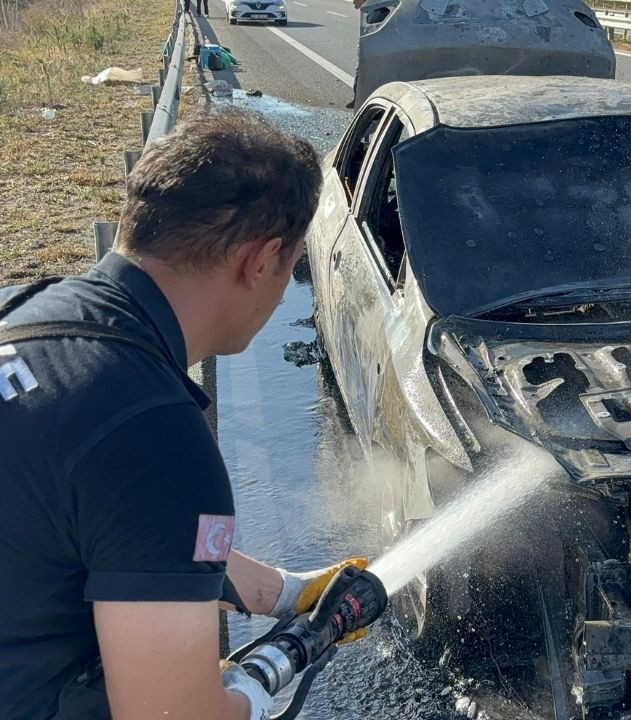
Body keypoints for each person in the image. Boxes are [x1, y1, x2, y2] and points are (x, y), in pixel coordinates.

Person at [0, 108, 364, 720]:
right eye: (290, 270)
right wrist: (256, 682)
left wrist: (292, 595)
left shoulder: (28, 312)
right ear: (260, 259)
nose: (282, 294)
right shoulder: (154, 436)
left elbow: (132, 533)